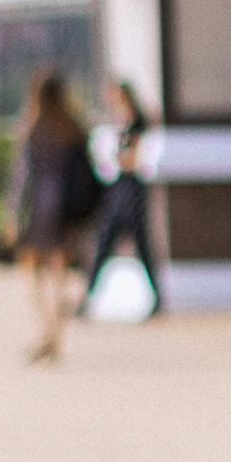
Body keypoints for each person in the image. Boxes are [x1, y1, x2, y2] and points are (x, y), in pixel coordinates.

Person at [11, 67, 101, 365]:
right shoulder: (74, 128)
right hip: (66, 209)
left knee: (32, 269)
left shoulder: (32, 127)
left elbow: (23, 177)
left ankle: (45, 331)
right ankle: (55, 337)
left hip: (39, 207)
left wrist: (14, 213)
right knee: (59, 271)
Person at [82, 78, 162, 313]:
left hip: (132, 186)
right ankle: (89, 295)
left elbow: (135, 159)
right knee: (104, 240)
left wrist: (120, 158)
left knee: (141, 244)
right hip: (116, 186)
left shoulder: (137, 124)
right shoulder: (116, 124)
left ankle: (156, 297)